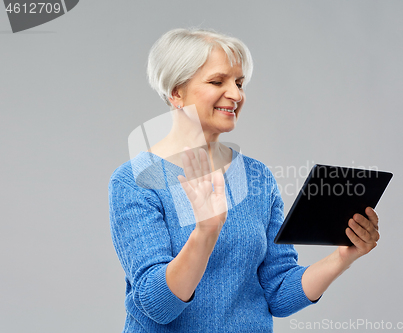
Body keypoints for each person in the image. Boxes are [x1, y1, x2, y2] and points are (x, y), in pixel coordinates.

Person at [108, 28, 380, 332]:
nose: (236, 95)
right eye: (217, 82)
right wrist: (205, 232)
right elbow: (158, 305)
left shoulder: (257, 177)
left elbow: (278, 293)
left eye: (239, 83)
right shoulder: (135, 181)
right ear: (176, 92)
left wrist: (343, 257)